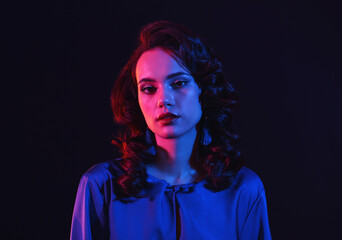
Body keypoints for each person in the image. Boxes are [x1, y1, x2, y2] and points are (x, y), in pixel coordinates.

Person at [70, 21, 272, 240]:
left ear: (202, 89)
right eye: (148, 89)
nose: (164, 100)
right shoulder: (101, 186)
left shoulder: (244, 190)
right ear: (136, 99)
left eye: (178, 83)